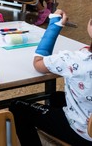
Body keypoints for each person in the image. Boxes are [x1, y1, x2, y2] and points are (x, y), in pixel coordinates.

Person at [10, 10, 92, 145]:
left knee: (18, 106)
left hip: (84, 134)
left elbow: (38, 64)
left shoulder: (74, 60)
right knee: (55, 97)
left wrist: (54, 26)